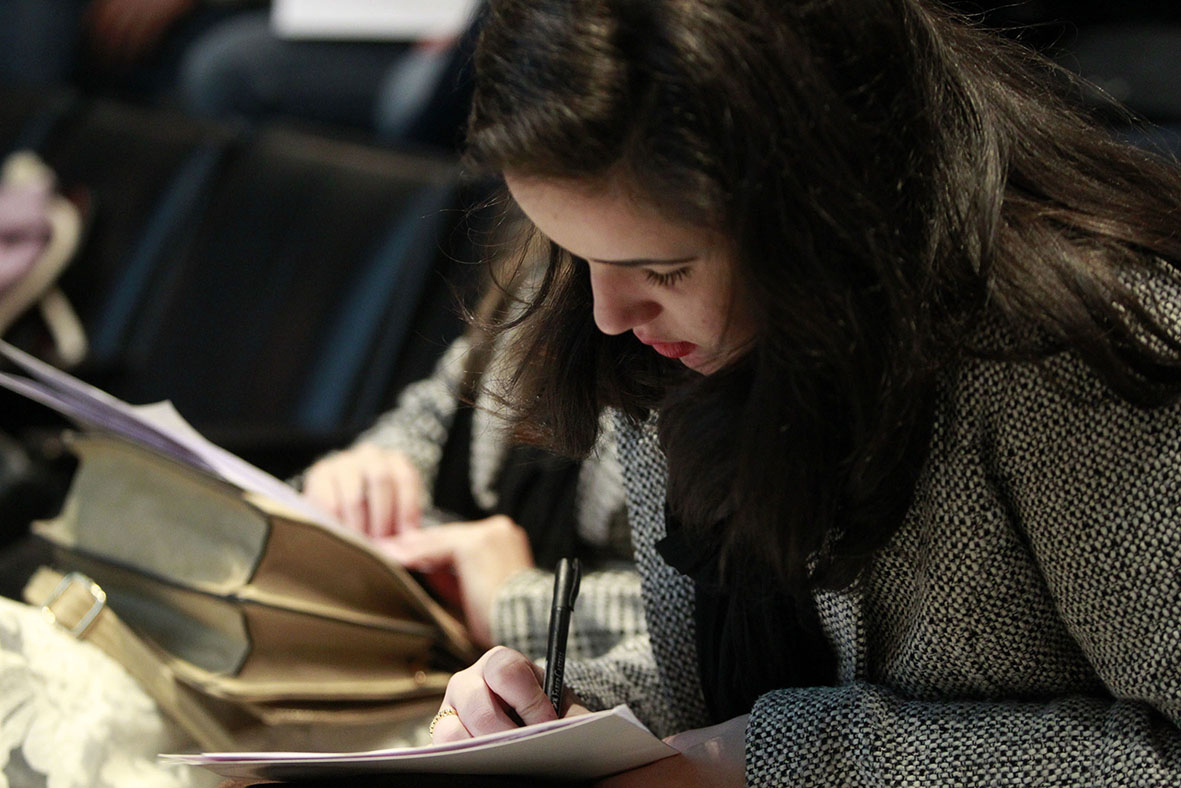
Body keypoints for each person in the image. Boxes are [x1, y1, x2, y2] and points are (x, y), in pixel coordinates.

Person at [429, 0, 1181, 785]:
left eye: (663, 270)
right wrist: (565, 720)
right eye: (573, 253)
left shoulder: (1076, 350)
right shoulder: (682, 344)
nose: (609, 315)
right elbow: (747, 673)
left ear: (819, 202)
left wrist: (771, 762)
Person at [299, 270, 641, 654]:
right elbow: (430, 415)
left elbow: (689, 623)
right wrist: (367, 473)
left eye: (669, 273)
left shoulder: (667, 354)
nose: (606, 313)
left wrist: (517, 604)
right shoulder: (537, 278)